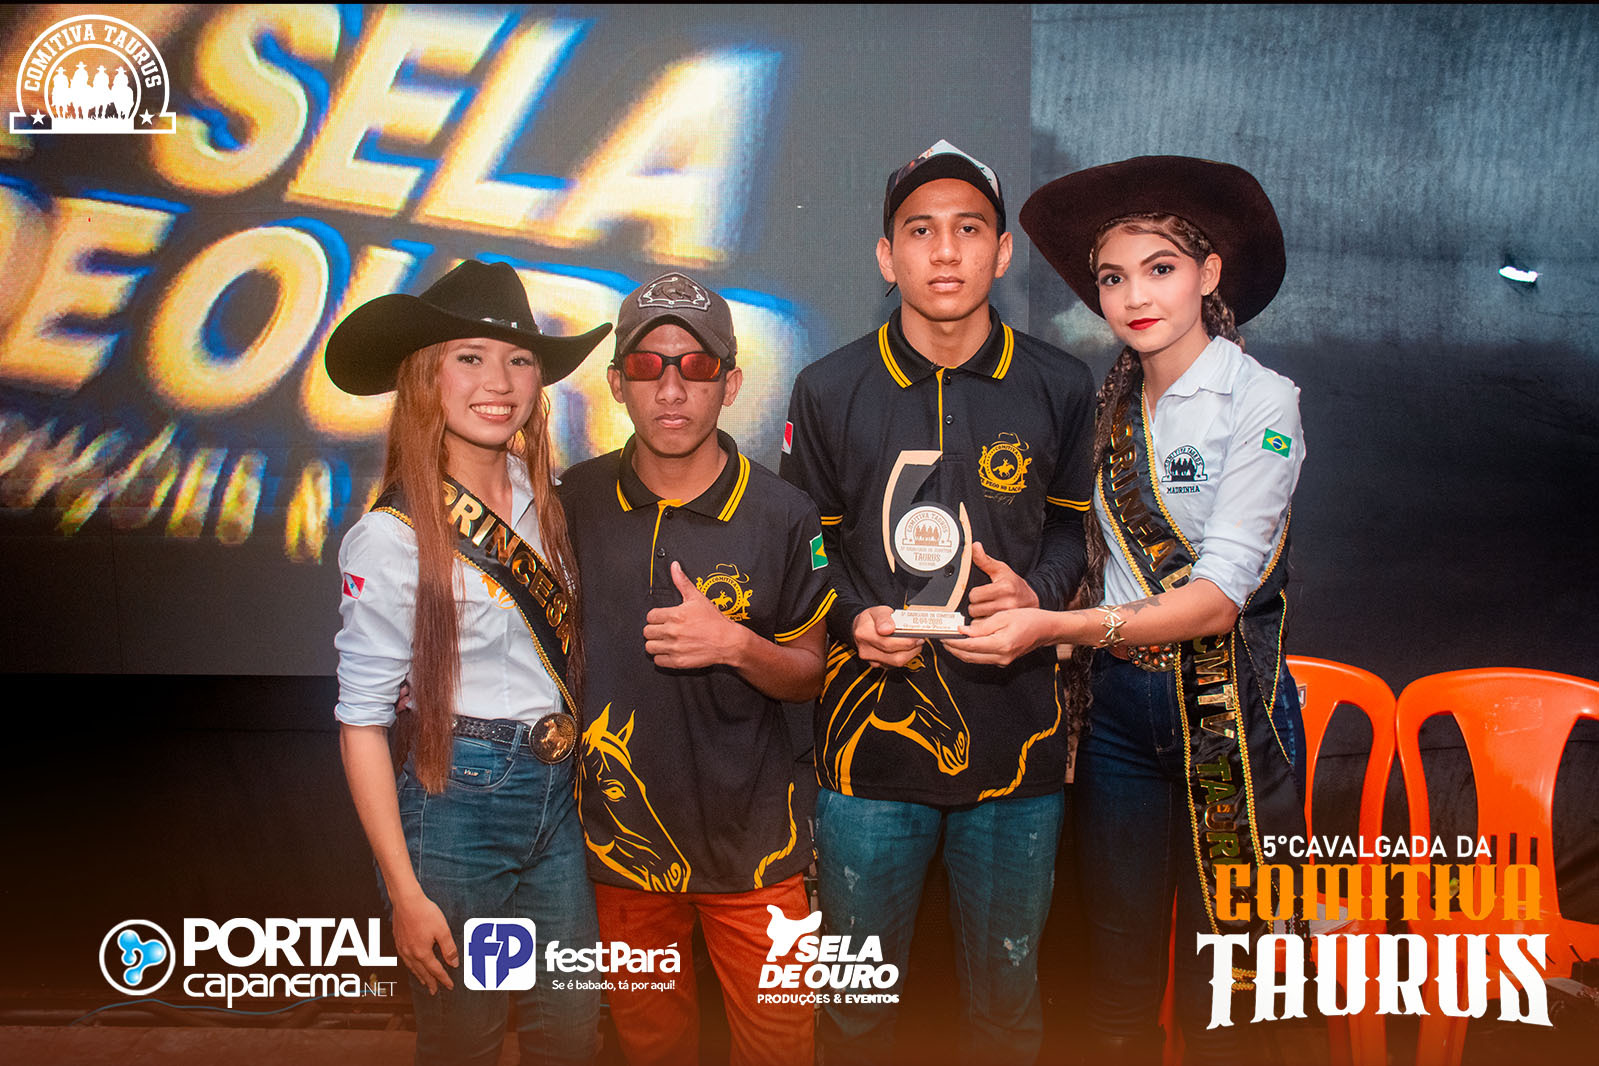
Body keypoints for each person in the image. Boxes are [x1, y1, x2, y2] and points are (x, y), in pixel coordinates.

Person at [955, 156, 1308, 1063]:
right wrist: (1032, 595)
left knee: (1231, 982)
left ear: (1208, 274)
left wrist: (1055, 629)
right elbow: (1092, 563)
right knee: (1111, 977)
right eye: (1113, 278)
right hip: (1117, 716)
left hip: (1228, 715)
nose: (1134, 296)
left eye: (1159, 268)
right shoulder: (1105, 406)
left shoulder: (1261, 402)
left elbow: (1216, 601)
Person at [779, 140, 1097, 1064]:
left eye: (969, 229)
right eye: (920, 231)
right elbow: (807, 542)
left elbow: (1074, 529)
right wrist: (850, 616)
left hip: (1016, 750)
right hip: (866, 759)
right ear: (887, 257)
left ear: (1003, 253)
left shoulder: (1058, 383)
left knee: (1005, 1012)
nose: (946, 250)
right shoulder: (828, 386)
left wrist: (1036, 596)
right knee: (854, 1016)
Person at [327, 259, 612, 1066]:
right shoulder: (389, 537)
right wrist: (404, 892)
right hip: (459, 804)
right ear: (426, 377)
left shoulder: (546, 496)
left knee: (570, 1032)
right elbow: (360, 724)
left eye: (519, 359)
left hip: (559, 796)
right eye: (470, 357)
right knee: (468, 1039)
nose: (500, 381)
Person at [559, 271, 834, 1066]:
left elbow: (809, 674)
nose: (672, 389)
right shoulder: (572, 501)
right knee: (650, 1046)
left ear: (730, 384)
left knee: (781, 1047)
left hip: (758, 844)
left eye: (697, 366)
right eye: (648, 367)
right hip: (622, 847)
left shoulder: (785, 514)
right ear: (617, 383)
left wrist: (735, 645)